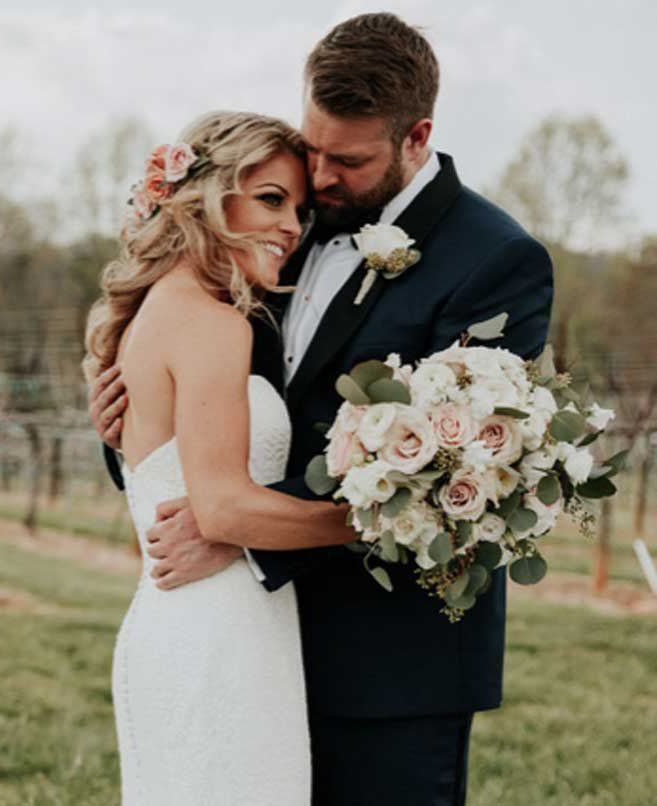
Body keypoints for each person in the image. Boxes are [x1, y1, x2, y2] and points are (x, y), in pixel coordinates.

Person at [90, 13, 554, 805]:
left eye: (349, 159)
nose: (322, 179)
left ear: (416, 137)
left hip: (391, 665)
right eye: (314, 149)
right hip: (246, 641)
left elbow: (452, 475)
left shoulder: (495, 261)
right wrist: (133, 432)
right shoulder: (277, 223)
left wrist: (240, 532)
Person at [82, 110, 354, 805]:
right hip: (216, 636)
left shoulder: (159, 310)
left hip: (193, 623)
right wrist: (366, 521)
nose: (292, 226)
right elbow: (223, 507)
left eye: (297, 209)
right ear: (206, 197)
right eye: (270, 199)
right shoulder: (212, 322)